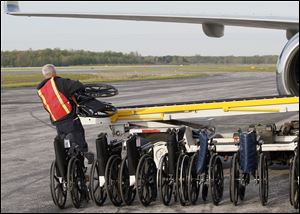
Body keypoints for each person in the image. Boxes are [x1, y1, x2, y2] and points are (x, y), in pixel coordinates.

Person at [37, 64, 94, 164]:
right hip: (70, 120)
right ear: (54, 72)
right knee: (79, 145)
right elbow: (78, 85)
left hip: (57, 122)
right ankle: (81, 171)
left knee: (64, 147)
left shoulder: (41, 90)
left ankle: (68, 169)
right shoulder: (60, 82)